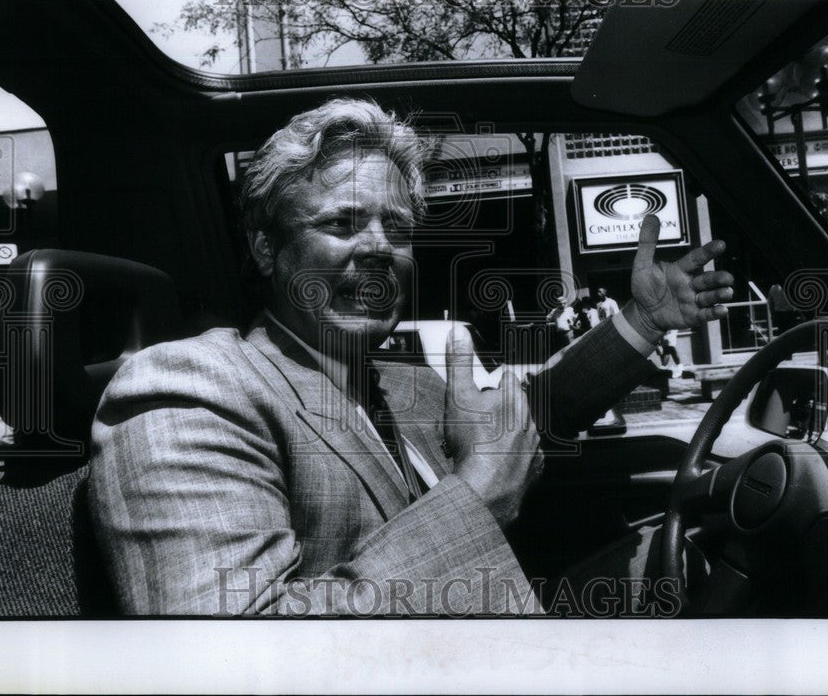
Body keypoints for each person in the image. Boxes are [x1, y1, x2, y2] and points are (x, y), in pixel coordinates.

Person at [88, 98, 734, 616]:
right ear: (265, 249)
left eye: (396, 229)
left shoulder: (401, 381)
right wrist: (478, 498)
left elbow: (528, 419)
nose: (378, 248)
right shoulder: (194, 387)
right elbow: (225, 655)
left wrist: (645, 321)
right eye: (341, 223)